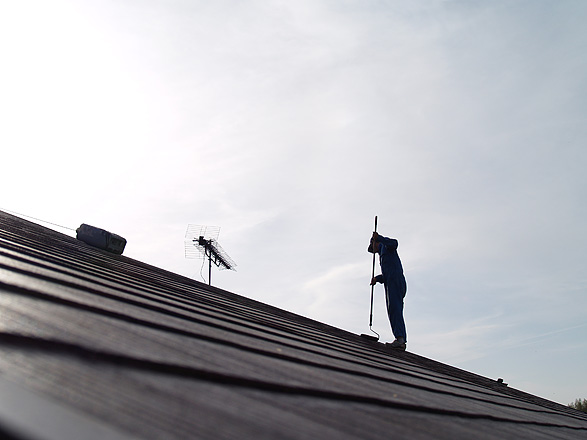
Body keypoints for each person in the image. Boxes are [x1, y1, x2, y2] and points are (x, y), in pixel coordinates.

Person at [368, 231, 407, 350]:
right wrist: (377, 279)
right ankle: (399, 337)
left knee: (395, 308)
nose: (373, 251)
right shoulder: (381, 255)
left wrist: (379, 237)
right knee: (392, 309)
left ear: (376, 244)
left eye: (373, 248)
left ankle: (400, 338)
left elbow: (395, 243)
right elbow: (386, 275)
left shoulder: (386, 246)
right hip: (390, 282)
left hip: (396, 281)